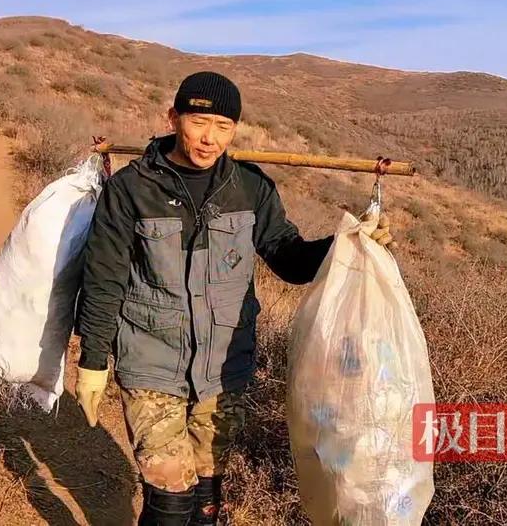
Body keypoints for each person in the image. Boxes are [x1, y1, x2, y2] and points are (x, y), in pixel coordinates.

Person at [73, 71, 393, 525]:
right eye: (199, 123)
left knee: (206, 494)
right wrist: (93, 360)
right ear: (173, 118)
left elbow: (289, 259)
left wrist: (348, 241)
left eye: (223, 126)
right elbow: (104, 277)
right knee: (169, 498)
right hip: (150, 360)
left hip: (225, 367)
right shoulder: (133, 188)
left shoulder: (249, 187)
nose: (209, 139)